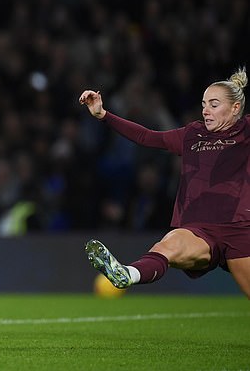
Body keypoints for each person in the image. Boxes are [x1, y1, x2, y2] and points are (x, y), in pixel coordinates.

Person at [79, 67, 250, 299]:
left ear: (235, 108)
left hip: (240, 230)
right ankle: (127, 274)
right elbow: (147, 137)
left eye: (214, 104)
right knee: (167, 246)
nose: (206, 111)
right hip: (199, 229)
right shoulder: (193, 134)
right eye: (203, 104)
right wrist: (104, 115)